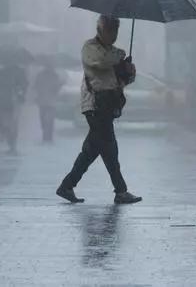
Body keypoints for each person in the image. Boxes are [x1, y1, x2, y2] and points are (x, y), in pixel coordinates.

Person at [56, 15, 143, 205]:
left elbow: (120, 81)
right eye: (110, 31)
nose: (113, 36)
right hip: (94, 105)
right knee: (110, 147)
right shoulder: (90, 48)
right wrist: (118, 57)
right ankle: (121, 191)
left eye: (115, 32)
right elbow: (99, 62)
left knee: (91, 150)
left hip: (109, 105)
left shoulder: (115, 52)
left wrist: (128, 71)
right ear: (101, 30)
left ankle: (67, 186)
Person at [0, 62, 28, 154]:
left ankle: (11, 142)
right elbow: (24, 86)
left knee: (8, 122)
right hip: (9, 101)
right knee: (11, 123)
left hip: (7, 101)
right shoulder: (18, 72)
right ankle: (12, 143)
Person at [33, 64, 64, 143]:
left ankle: (47, 136)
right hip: (49, 101)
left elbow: (36, 86)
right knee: (48, 120)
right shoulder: (53, 76)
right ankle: (48, 136)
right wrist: (60, 85)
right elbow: (56, 88)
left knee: (45, 119)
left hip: (46, 101)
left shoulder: (43, 75)